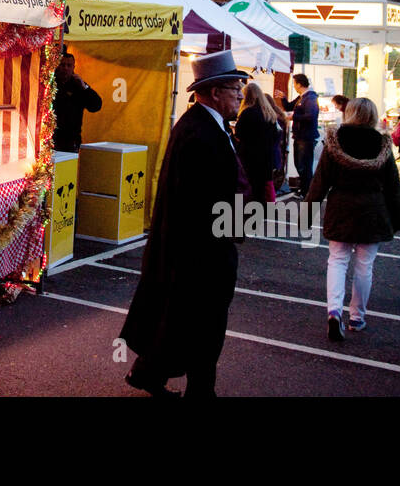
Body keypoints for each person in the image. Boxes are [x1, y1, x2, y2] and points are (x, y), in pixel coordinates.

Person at [120, 50, 251, 397]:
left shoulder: (207, 126)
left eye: (240, 86)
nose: (240, 93)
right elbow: (201, 199)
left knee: (187, 322)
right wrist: (232, 229)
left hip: (200, 250)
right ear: (212, 92)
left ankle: (151, 373)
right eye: (234, 86)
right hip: (202, 252)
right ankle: (198, 390)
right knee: (203, 326)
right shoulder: (199, 132)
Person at [306, 98, 400, 340]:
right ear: (372, 115)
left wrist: (308, 211)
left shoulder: (335, 142)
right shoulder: (382, 144)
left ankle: (334, 312)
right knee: (364, 266)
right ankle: (357, 317)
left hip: (341, 207)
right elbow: (393, 186)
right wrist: (399, 218)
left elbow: (320, 180)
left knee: (337, 261)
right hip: (373, 210)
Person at [234, 82, 279, 204]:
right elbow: (275, 136)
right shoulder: (269, 114)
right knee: (262, 184)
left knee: (249, 183)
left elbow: (238, 133)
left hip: (249, 155)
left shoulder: (247, 112)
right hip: (266, 156)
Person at [52, 50, 103, 153]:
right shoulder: (50, 83)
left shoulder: (78, 85)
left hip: (71, 141)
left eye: (69, 65)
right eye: (62, 65)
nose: (65, 68)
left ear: (73, 67)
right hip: (52, 139)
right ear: (57, 66)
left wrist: (85, 88)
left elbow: (96, 106)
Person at [284, 73, 320, 197]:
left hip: (306, 137)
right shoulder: (301, 97)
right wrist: (283, 98)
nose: (293, 86)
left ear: (299, 84)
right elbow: (289, 106)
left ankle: (306, 192)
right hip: (300, 136)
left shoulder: (310, 98)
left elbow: (311, 116)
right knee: (299, 164)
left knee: (304, 165)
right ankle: (304, 189)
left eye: (294, 83)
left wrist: (294, 116)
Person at [265, 92, 292, 195]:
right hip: (278, 151)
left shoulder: (272, 117)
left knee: (268, 183)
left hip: (273, 152)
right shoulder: (279, 115)